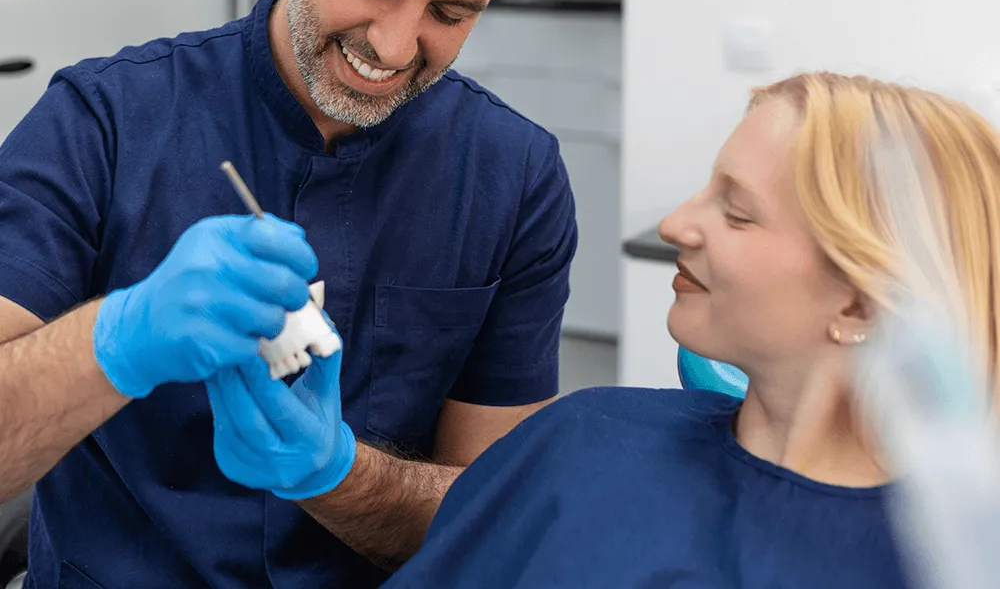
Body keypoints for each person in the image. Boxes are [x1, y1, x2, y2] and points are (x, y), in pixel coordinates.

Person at [0, 0, 577, 588]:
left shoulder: (513, 177)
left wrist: (335, 475)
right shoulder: (103, 122)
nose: (393, 44)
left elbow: (495, 522)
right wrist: (118, 339)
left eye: (451, 14)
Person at [384, 72, 1000, 588]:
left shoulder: (947, 557)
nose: (677, 223)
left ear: (859, 307)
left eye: (737, 213)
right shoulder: (582, 438)